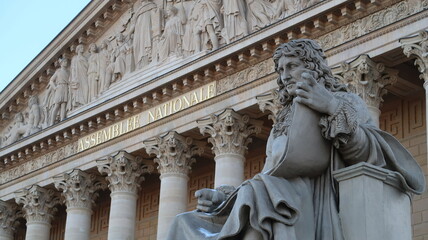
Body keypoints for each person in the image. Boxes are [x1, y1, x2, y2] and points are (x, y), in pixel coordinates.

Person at [167, 39, 425, 239]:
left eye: (292, 66)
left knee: (259, 196)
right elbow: (272, 172)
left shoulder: (344, 101)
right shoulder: (283, 120)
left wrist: (331, 106)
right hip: (273, 196)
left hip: (312, 200)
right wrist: (224, 198)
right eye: (281, 69)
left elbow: (369, 155)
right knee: (185, 222)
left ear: (312, 67)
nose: (285, 75)